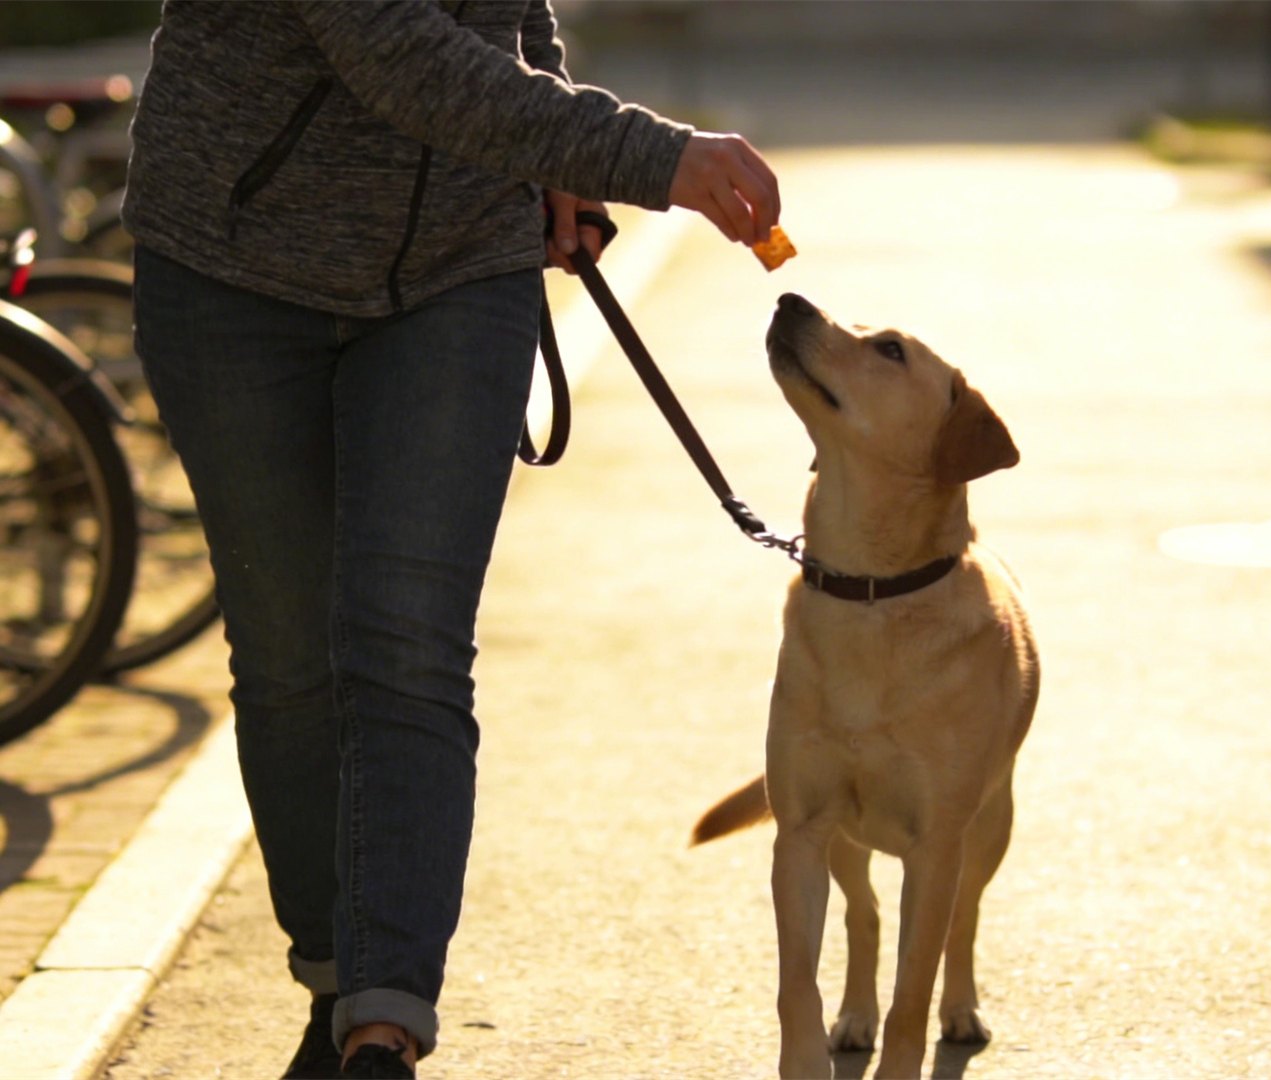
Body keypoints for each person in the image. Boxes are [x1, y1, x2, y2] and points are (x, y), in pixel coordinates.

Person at [120, 3, 779, 1077]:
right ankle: (335, 970)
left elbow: (503, 15)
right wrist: (648, 156)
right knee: (287, 655)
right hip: (231, 266)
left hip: (461, 268)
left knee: (408, 643)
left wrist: (550, 145)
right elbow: (396, 49)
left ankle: (384, 1023)